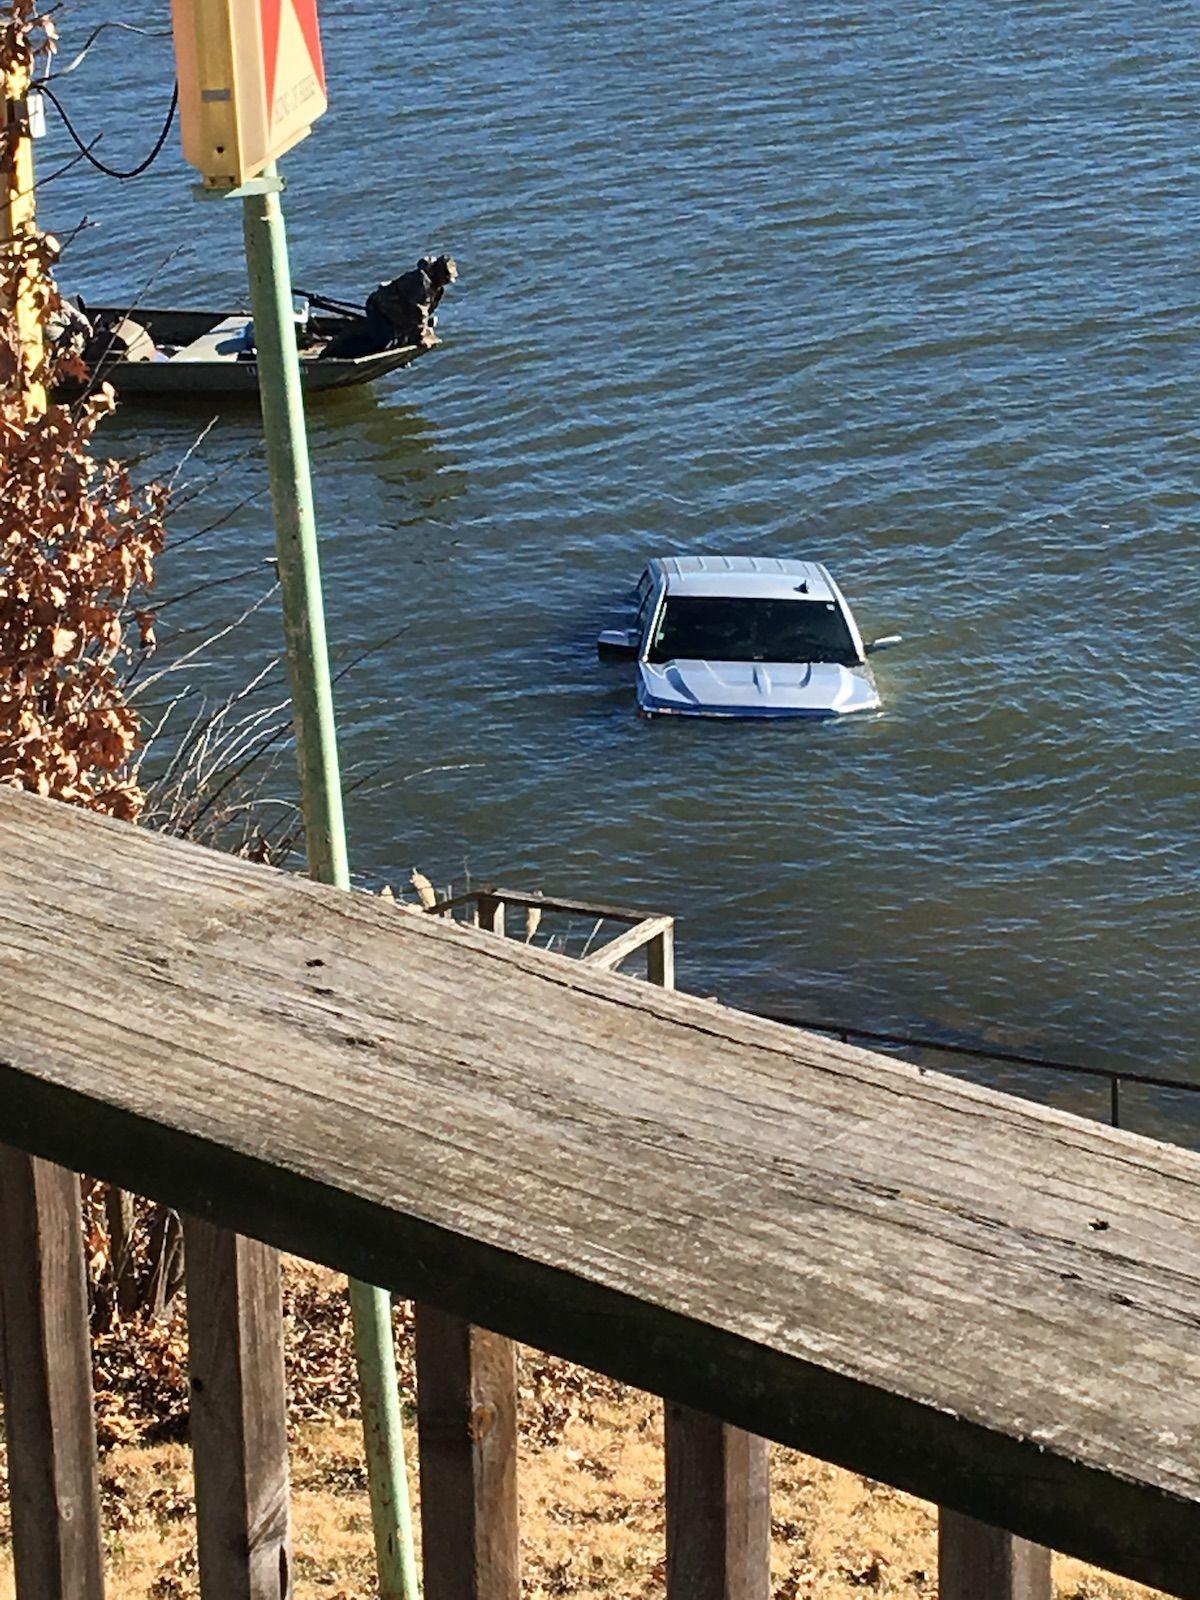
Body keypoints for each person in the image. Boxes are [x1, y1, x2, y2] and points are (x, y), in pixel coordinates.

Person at [320, 255, 459, 359]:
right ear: (438, 272)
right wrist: (422, 333)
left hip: (398, 314)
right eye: (446, 278)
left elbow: (426, 311)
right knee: (380, 342)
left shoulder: (437, 288)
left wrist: (423, 331)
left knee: (396, 341)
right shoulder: (421, 282)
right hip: (380, 308)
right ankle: (336, 352)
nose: (446, 282)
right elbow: (418, 310)